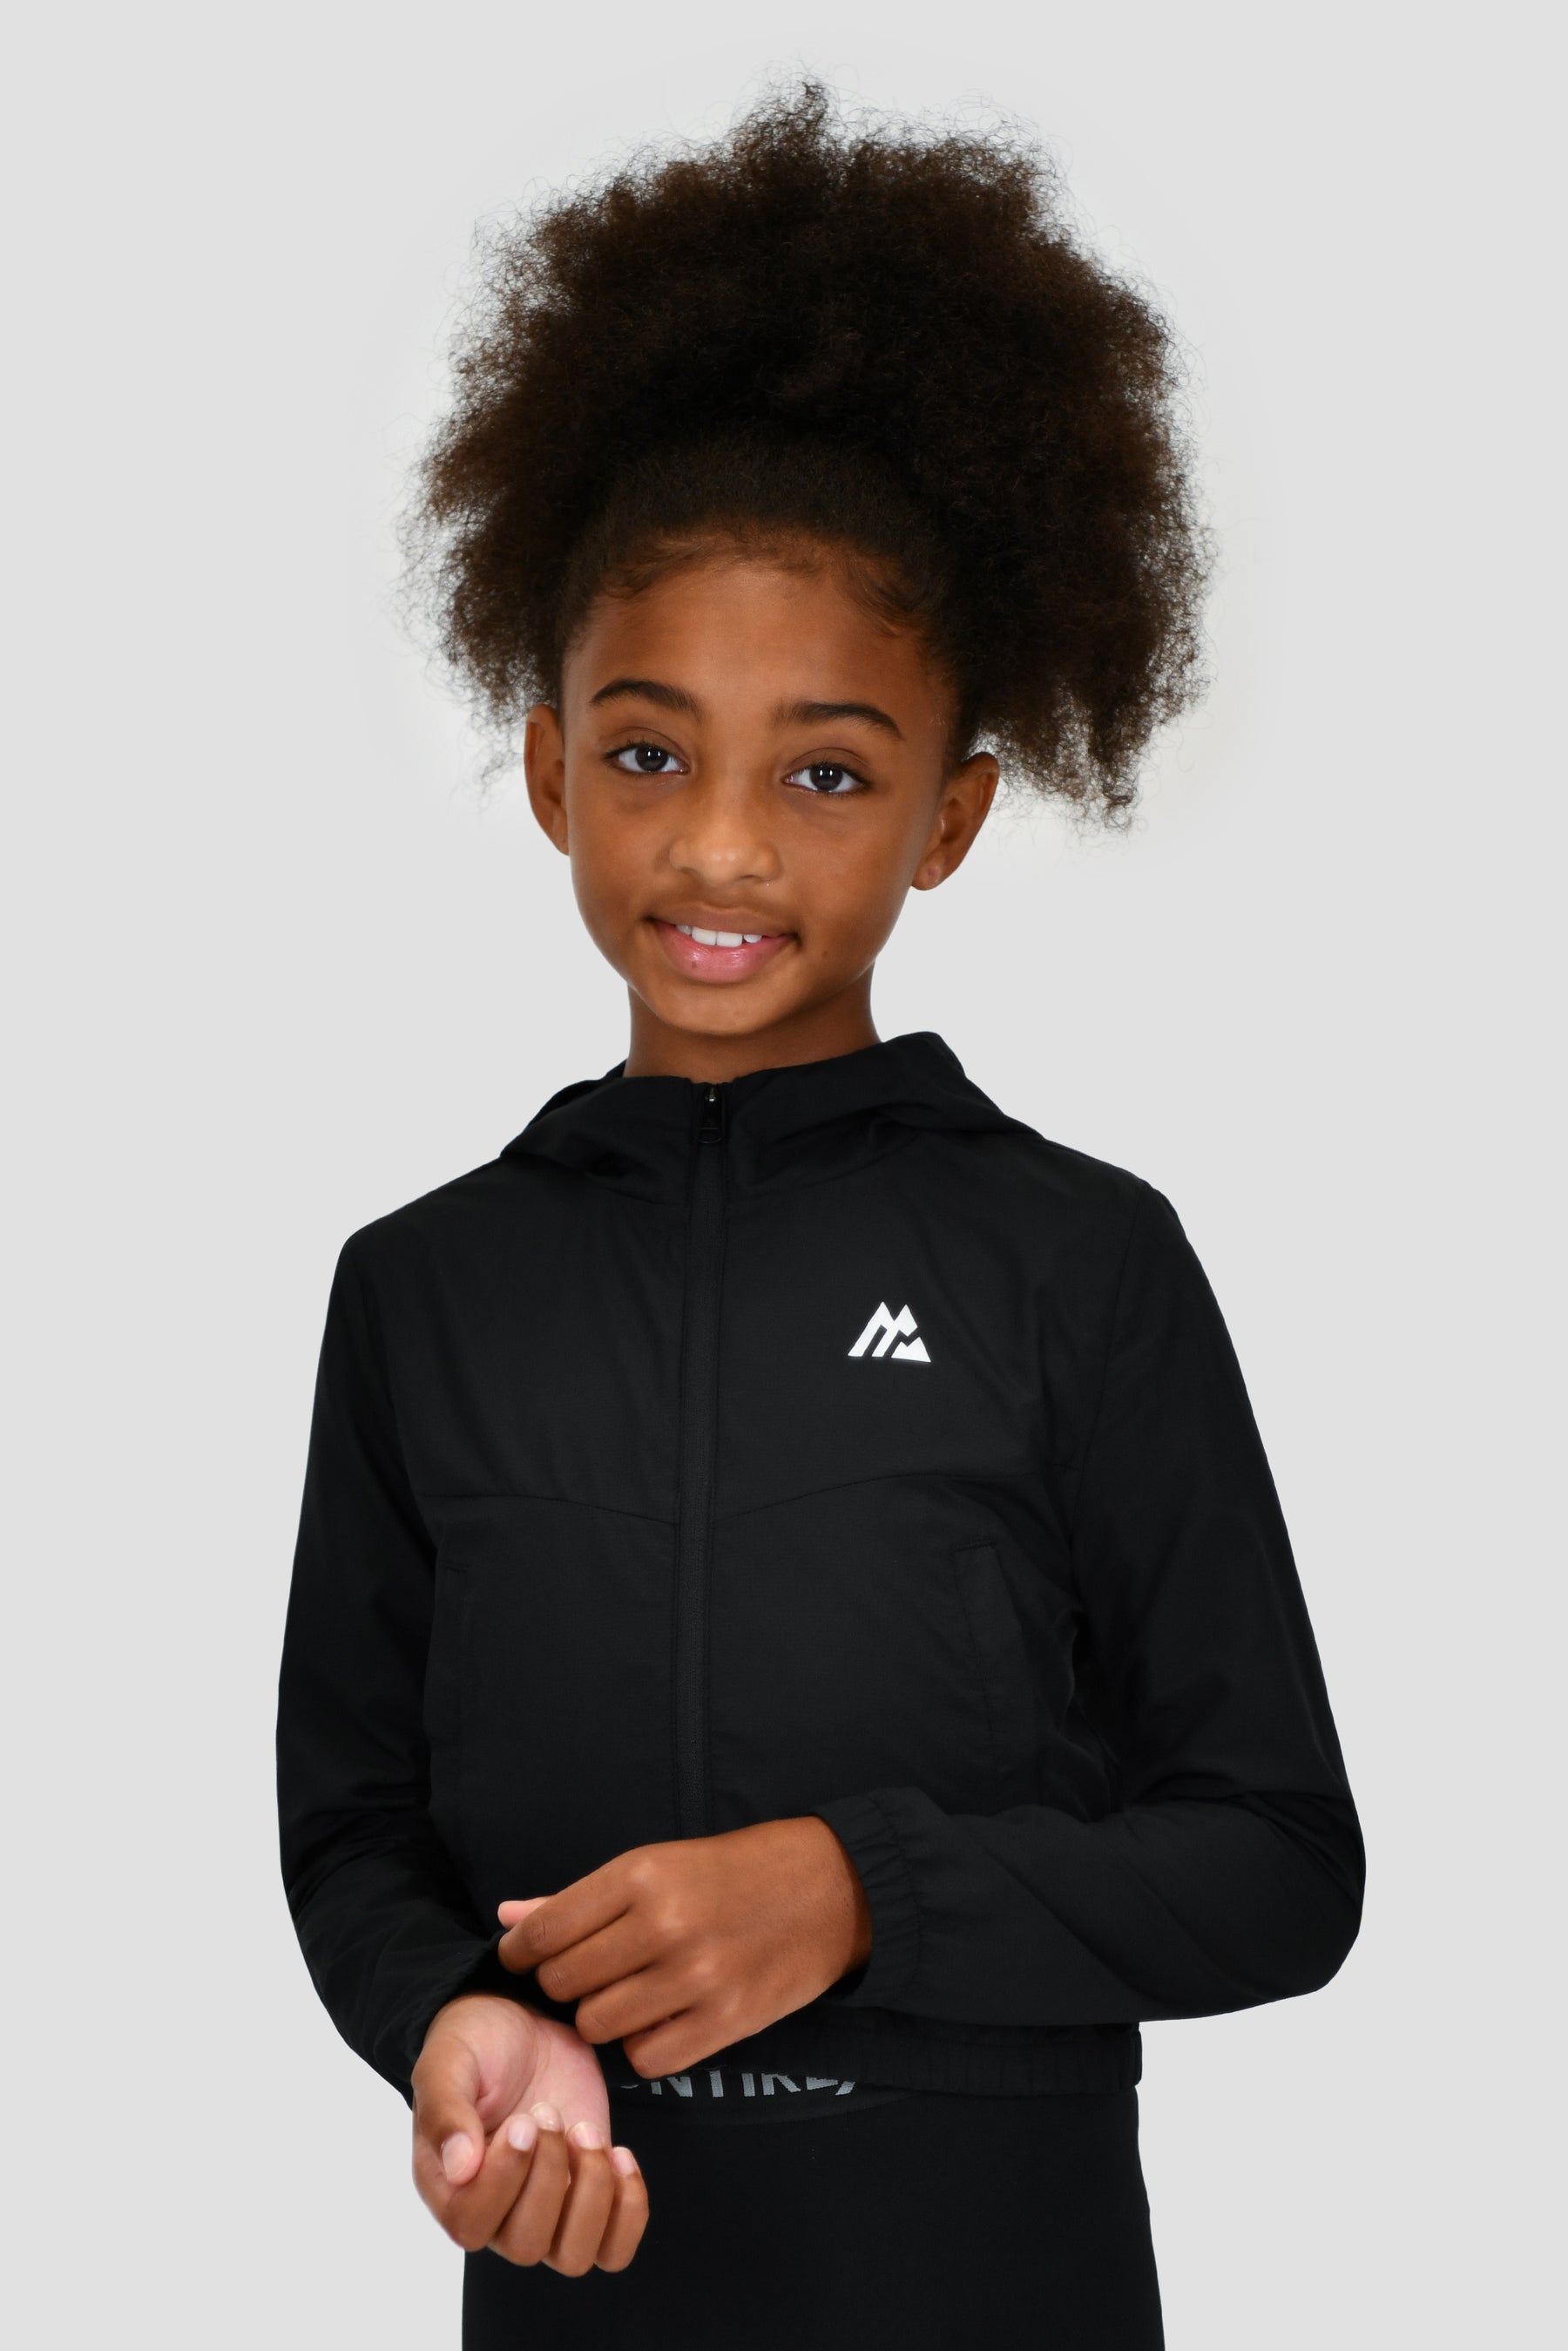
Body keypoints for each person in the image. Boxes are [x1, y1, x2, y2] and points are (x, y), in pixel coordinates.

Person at [276, 85, 1363, 2350]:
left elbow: (1279, 1860)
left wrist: (865, 1890)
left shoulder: (1081, 1264)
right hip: (587, 2294)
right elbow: (355, 1820)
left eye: (828, 770)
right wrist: (449, 2021)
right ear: (551, 765)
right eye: (651, 751)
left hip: (996, 2300)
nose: (726, 847)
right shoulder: (424, 1293)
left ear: (950, 815)